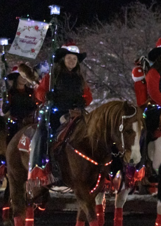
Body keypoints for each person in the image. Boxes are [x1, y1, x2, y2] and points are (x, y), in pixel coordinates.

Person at [32, 42, 93, 183]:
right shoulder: (52, 76)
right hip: (57, 112)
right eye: (69, 58)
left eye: (74, 59)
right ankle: (44, 166)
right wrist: (47, 96)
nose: (71, 61)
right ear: (63, 59)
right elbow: (39, 92)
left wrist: (83, 102)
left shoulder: (80, 78)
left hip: (76, 113)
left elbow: (88, 96)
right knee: (46, 135)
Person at [2, 64, 38, 141]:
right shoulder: (11, 93)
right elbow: (5, 110)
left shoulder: (31, 92)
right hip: (15, 124)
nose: (24, 79)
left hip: (29, 123)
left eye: (25, 77)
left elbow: (35, 105)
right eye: (21, 76)